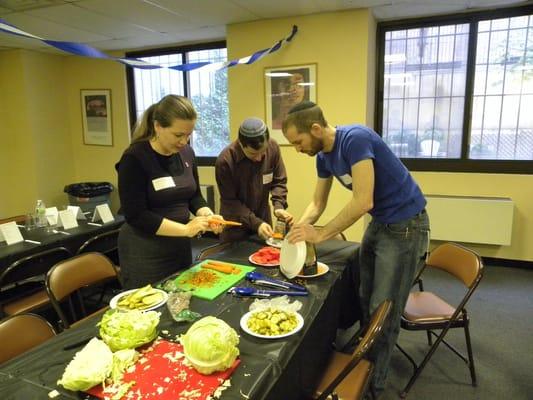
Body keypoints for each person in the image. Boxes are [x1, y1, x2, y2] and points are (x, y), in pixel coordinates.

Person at [282, 101, 430, 397]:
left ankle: (374, 382)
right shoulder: (323, 156)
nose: (297, 149)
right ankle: (366, 361)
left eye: (298, 142)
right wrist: (298, 229)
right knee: (364, 296)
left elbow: (363, 201)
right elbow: (318, 203)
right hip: (381, 223)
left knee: (384, 309)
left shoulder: (356, 139)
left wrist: (322, 233)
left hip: (405, 227)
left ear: (315, 128)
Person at [116, 95, 223, 289]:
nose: (184, 141)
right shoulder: (135, 158)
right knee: (148, 309)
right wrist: (185, 229)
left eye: (188, 135)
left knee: (180, 302)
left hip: (178, 246)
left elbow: (194, 195)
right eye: (178, 135)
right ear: (158, 126)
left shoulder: (187, 153)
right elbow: (136, 215)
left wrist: (207, 214)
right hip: (145, 251)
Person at [215, 117, 293, 242]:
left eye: (262, 152)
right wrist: (256, 223)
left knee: (267, 258)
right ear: (241, 144)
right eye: (252, 154)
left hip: (263, 222)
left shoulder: (273, 148)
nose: (259, 158)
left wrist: (279, 206)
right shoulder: (225, 161)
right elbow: (230, 202)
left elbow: (279, 181)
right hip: (235, 225)